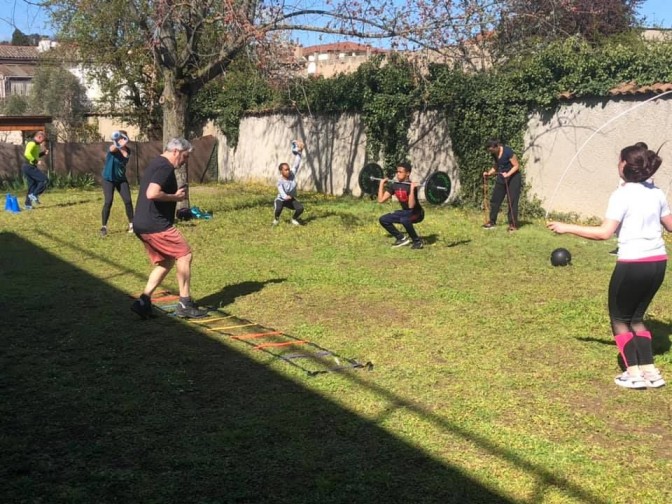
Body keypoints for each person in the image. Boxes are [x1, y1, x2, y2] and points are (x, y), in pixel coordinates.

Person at [547, 143, 671, 389]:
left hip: (633, 263)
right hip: (658, 263)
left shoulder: (622, 195)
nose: (618, 164)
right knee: (636, 316)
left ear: (626, 166)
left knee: (619, 317)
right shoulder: (656, 192)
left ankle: (633, 374)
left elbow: (605, 233)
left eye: (620, 160)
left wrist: (566, 227)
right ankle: (650, 371)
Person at [130, 137, 207, 319]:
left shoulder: (156, 163)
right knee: (184, 254)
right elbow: (152, 193)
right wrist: (175, 197)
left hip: (141, 224)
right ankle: (185, 303)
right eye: (185, 156)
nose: (186, 160)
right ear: (176, 152)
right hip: (155, 224)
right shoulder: (164, 166)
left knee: (166, 262)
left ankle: (143, 301)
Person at [377, 160, 424, 249]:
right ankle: (401, 238)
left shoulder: (411, 186)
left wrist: (411, 189)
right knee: (383, 219)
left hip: (417, 213)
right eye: (397, 172)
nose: (397, 174)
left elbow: (411, 206)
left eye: (400, 172)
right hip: (405, 212)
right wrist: (381, 184)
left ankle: (417, 242)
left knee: (404, 219)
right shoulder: (395, 185)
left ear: (407, 173)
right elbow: (381, 200)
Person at [482, 138, 521, 231]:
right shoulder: (494, 153)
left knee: (512, 202)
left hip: (513, 178)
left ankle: (513, 225)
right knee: (495, 200)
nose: (491, 152)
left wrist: (508, 174)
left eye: (492, 150)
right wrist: (489, 173)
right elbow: (497, 165)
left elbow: (516, 166)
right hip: (501, 177)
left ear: (497, 146)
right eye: (490, 150)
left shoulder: (508, 151)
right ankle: (492, 222)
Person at [100, 130, 134, 237]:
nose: (120, 140)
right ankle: (104, 227)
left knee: (128, 201)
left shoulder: (128, 150)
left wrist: (122, 146)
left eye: (122, 138)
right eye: (118, 138)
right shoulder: (113, 148)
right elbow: (112, 149)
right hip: (108, 179)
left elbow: (125, 155)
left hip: (121, 179)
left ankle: (132, 224)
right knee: (108, 201)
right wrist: (118, 144)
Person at [273, 140, 305, 226]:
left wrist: (299, 152)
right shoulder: (280, 181)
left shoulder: (292, 174)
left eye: (288, 169)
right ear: (281, 171)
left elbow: (296, 164)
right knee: (278, 209)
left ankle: (293, 219)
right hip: (281, 199)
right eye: (286, 170)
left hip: (290, 199)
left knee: (300, 208)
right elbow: (283, 195)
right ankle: (276, 220)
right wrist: (289, 196)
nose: (288, 171)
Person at [22, 131, 49, 209]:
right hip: (28, 166)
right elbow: (27, 154)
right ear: (39, 137)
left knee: (32, 185)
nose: (43, 141)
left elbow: (35, 155)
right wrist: (36, 161)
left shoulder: (36, 145)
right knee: (44, 180)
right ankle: (34, 195)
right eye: (43, 140)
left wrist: (43, 153)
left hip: (29, 166)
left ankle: (28, 205)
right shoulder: (31, 143)